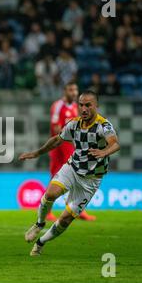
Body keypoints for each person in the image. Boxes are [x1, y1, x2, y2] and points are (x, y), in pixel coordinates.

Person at [20, 90, 120, 256]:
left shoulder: (104, 126)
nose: (84, 109)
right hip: (72, 168)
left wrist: (104, 152)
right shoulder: (74, 124)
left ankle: (40, 243)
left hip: (91, 180)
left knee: (66, 219)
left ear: (96, 106)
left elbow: (115, 144)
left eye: (88, 105)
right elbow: (57, 140)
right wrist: (36, 153)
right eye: (81, 105)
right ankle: (39, 223)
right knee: (50, 193)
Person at [46, 83, 96, 222]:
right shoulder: (57, 106)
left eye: (75, 89)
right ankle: (47, 211)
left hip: (71, 147)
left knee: (77, 176)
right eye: (71, 90)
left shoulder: (76, 107)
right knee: (55, 179)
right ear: (65, 91)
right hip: (58, 147)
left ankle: (77, 209)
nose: (74, 92)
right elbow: (56, 128)